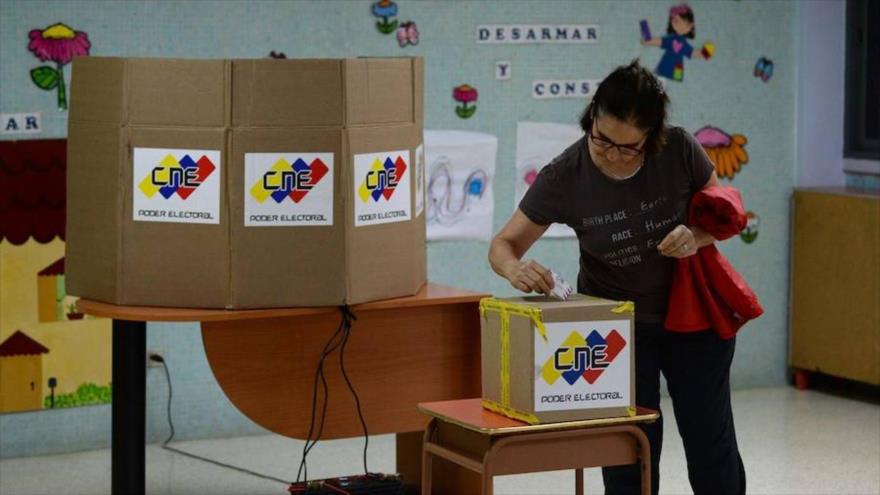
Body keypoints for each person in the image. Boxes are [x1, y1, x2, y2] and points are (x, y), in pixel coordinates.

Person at [488, 60, 746, 495]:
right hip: (616, 329)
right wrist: (516, 269)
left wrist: (695, 235)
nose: (611, 153)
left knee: (710, 440)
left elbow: (722, 217)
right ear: (591, 117)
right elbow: (502, 246)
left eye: (630, 147)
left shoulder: (680, 149)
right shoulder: (564, 174)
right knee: (630, 450)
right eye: (603, 139)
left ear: (653, 136)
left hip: (693, 318)